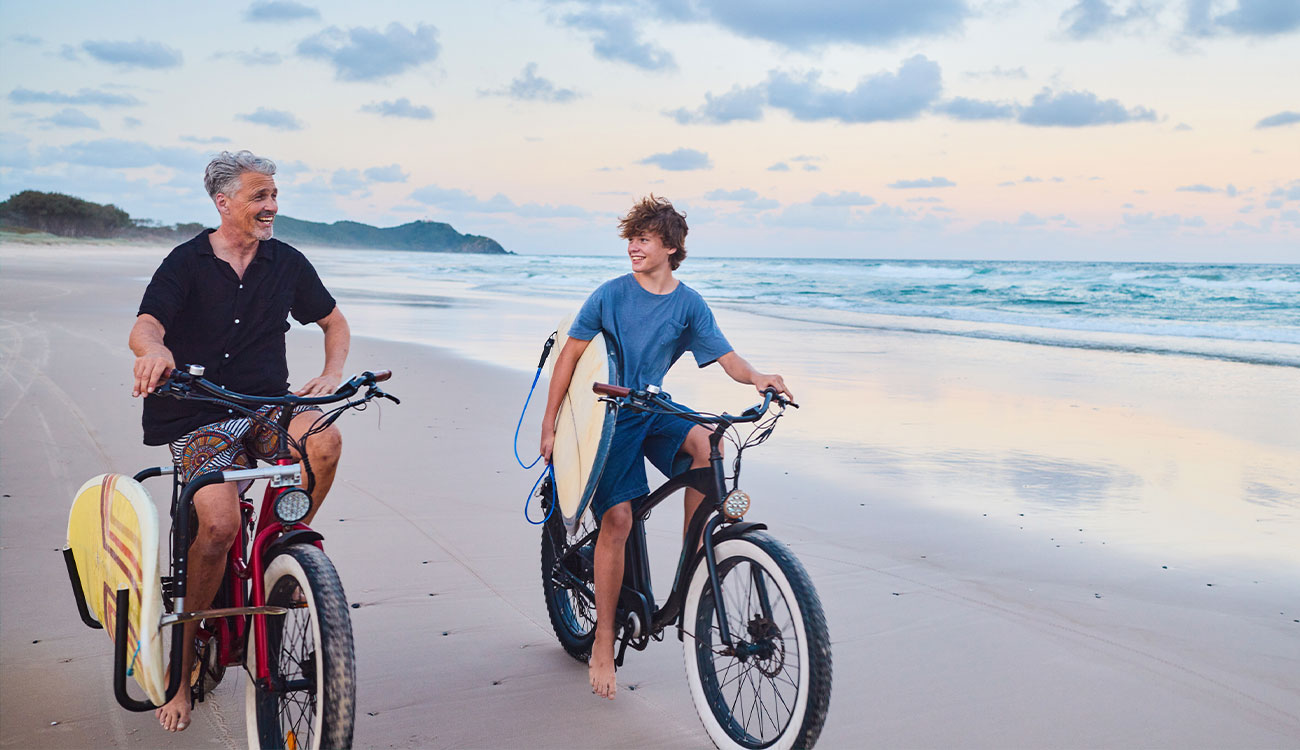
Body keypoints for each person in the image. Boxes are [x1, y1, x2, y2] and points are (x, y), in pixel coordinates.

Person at [129, 150, 350, 733]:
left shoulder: (286, 262)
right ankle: (183, 663)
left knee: (323, 439)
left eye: (274, 196)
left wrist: (332, 371)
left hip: (261, 407)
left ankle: (284, 548)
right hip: (197, 416)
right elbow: (146, 324)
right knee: (220, 527)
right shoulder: (186, 262)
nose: (272, 206)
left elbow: (333, 322)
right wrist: (154, 351)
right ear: (223, 202)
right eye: (260, 196)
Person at [539, 195, 792, 700]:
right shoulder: (610, 295)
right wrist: (549, 428)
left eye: (644, 239)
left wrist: (759, 378)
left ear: (670, 247)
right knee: (618, 521)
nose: (633, 246)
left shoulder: (688, 303)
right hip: (605, 419)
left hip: (650, 408)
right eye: (631, 238)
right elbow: (568, 360)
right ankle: (603, 642)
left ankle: (694, 555)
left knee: (709, 443)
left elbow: (727, 358)